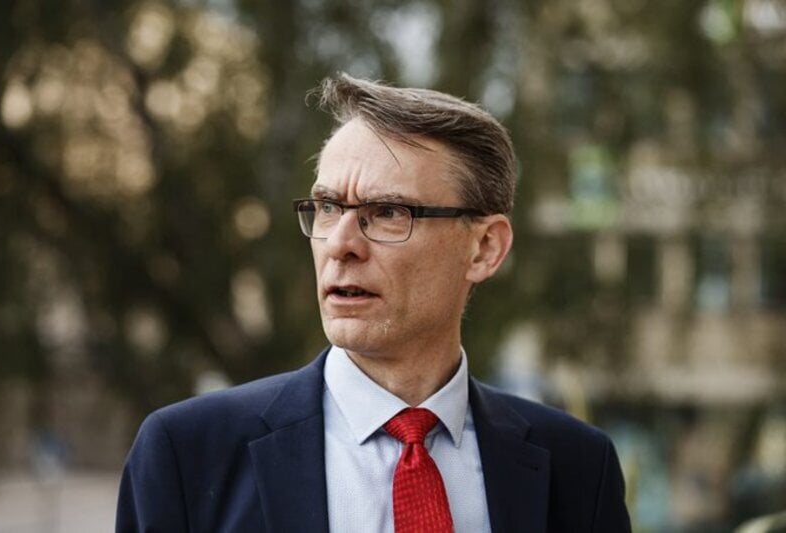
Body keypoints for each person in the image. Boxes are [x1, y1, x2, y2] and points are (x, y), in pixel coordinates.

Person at [116, 73, 632, 533]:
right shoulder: (187, 454)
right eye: (327, 207)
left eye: (387, 212)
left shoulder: (578, 468)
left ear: (484, 249)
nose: (340, 243)